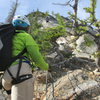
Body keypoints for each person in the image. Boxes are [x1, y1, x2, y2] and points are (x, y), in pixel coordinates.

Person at [2, 15, 49, 100]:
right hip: (21, 73)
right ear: (27, 27)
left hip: (6, 77)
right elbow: (36, 57)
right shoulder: (26, 36)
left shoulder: (8, 37)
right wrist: (46, 67)